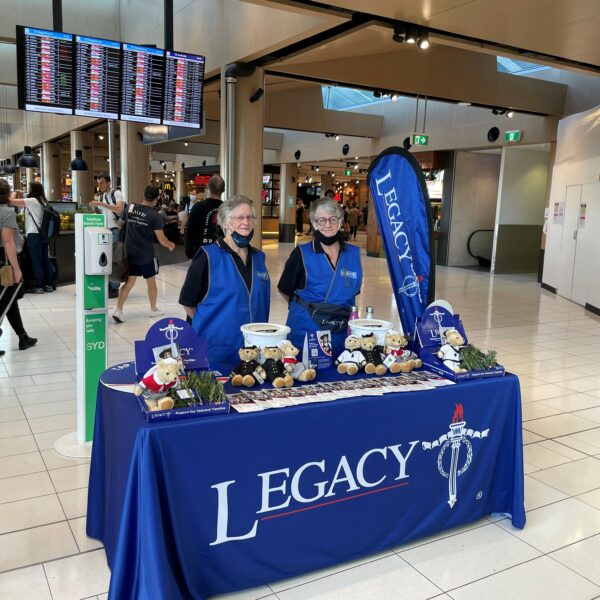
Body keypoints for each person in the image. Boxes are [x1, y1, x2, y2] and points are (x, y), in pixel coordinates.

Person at [179, 195, 270, 367]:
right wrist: (211, 326)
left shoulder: (259, 258)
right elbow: (188, 302)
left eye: (250, 217)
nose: (246, 222)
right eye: (239, 218)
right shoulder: (207, 256)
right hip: (217, 352)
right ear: (225, 223)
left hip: (253, 350)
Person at [278, 198, 363, 357]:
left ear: (341, 221)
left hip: (341, 333)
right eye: (322, 220)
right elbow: (284, 289)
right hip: (307, 330)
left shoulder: (353, 254)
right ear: (314, 223)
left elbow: (353, 291)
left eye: (333, 219)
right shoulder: (301, 254)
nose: (328, 224)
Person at [112, 186, 175, 323]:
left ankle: (118, 310)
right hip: (146, 255)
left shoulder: (131, 208)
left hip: (129, 254)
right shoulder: (155, 216)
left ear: (144, 194)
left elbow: (119, 225)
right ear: (157, 198)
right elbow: (161, 239)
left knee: (129, 283)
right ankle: (153, 310)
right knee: (151, 283)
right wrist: (170, 245)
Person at [0, 180, 37, 352]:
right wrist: (16, 268)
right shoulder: (6, 212)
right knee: (5, 300)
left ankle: (23, 337)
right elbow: (8, 241)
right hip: (3, 261)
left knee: (9, 300)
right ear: (7, 194)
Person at [10, 182, 54, 294]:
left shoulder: (32, 201)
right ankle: (48, 284)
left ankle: (38, 286)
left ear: (33, 190)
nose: (28, 190)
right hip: (44, 235)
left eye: (29, 188)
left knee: (36, 261)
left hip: (34, 235)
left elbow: (11, 201)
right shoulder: (43, 201)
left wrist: (15, 192)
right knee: (45, 260)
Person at [90, 175, 125, 298]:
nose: (100, 185)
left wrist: (101, 204)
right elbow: (103, 213)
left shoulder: (116, 193)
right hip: (104, 230)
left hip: (115, 230)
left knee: (114, 259)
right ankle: (108, 284)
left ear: (109, 183)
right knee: (105, 258)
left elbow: (120, 209)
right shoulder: (101, 196)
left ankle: (114, 287)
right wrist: (96, 208)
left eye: (102, 183)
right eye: (98, 183)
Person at [184, 175, 225, 259]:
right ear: (223, 190)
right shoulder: (227, 208)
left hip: (201, 253)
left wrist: (189, 252)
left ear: (208, 188)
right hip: (222, 252)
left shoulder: (198, 207)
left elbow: (190, 231)